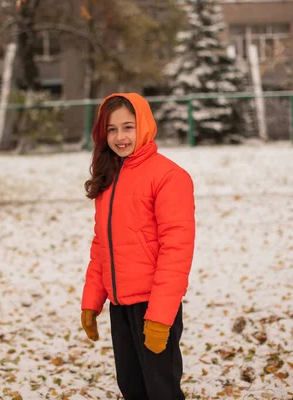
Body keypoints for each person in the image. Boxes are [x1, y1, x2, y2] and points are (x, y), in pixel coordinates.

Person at [80, 93, 195, 400]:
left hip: (153, 305)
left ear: (143, 125)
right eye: (112, 129)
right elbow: (101, 246)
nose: (120, 137)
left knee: (162, 391)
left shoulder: (169, 176)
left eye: (128, 127)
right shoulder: (110, 176)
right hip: (120, 305)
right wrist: (92, 301)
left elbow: (176, 251)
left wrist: (159, 316)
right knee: (132, 388)